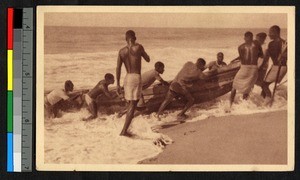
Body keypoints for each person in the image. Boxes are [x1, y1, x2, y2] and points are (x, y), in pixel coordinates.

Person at [116, 30, 150, 137]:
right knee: (133, 105)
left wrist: (117, 84)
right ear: (134, 38)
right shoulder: (139, 47)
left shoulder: (121, 51)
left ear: (126, 39)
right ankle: (124, 131)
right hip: (136, 77)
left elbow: (118, 68)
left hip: (127, 78)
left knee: (130, 103)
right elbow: (148, 59)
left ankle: (127, 127)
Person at [227, 31, 263, 111]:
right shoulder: (257, 44)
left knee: (234, 86)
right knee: (247, 87)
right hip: (254, 68)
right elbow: (261, 55)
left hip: (244, 68)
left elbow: (242, 58)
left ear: (245, 37)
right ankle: (245, 106)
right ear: (252, 37)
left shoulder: (240, 47)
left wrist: (234, 61)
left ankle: (230, 105)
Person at [261, 25, 287, 105]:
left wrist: (260, 67)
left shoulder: (272, 44)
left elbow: (266, 58)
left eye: (270, 32)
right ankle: (265, 101)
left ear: (275, 32)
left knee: (264, 84)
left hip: (278, 67)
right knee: (265, 85)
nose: (269, 35)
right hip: (282, 67)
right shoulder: (285, 43)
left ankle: (268, 100)